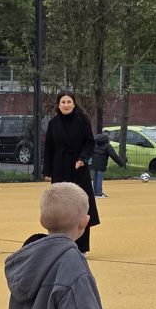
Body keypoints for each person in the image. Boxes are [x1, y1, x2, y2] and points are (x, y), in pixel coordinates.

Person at [43, 92, 100, 254]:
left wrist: (83, 158)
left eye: (69, 102)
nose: (66, 105)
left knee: (81, 206)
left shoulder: (83, 121)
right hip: (59, 167)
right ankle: (58, 245)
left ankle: (81, 248)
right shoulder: (53, 123)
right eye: (63, 102)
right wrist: (47, 170)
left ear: (74, 104)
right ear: (58, 105)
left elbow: (89, 142)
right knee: (59, 206)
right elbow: (49, 148)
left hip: (78, 168)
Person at [91, 130, 124, 198]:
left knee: (95, 177)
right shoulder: (107, 146)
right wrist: (121, 164)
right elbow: (114, 156)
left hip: (94, 163)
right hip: (102, 164)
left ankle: (95, 192)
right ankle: (99, 193)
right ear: (107, 137)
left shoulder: (95, 143)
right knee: (99, 178)